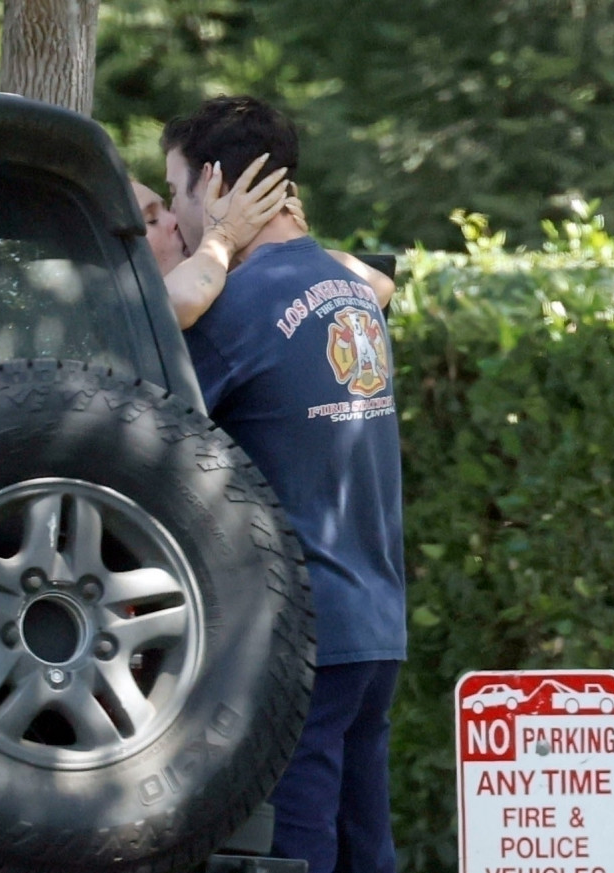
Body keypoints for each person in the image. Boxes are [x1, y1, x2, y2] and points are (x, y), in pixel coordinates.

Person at [160, 96, 407, 873]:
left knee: (293, 854)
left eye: (173, 192)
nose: (173, 212)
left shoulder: (238, 305)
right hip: (376, 627)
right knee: (367, 850)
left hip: (299, 638)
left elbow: (145, 421)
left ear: (211, 180)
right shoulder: (358, 297)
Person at [132, 160, 395, 329]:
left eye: (169, 205)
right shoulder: (124, 317)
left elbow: (378, 287)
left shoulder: (220, 285)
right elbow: (178, 301)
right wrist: (223, 236)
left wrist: (289, 246)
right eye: (152, 220)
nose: (174, 218)